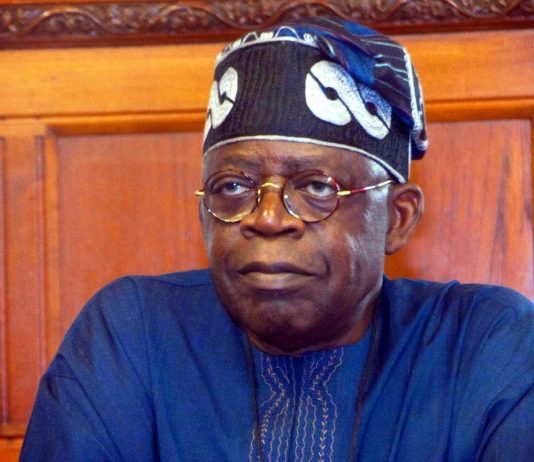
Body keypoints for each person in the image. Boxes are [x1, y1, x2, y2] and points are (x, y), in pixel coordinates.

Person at [21, 17, 533, 462]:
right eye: (233, 187)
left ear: (397, 219)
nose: (267, 218)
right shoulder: (135, 335)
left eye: (316, 187)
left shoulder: (484, 344)